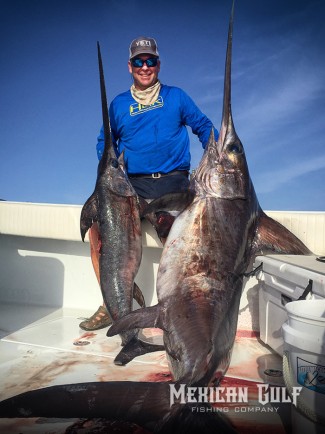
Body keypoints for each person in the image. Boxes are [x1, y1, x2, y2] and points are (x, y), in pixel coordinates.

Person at [79, 36, 219, 331]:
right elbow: (105, 142)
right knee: (97, 231)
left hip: (173, 185)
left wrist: (216, 157)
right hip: (133, 189)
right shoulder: (118, 104)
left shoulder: (176, 97)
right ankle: (112, 302)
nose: (145, 67)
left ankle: (184, 307)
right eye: (139, 61)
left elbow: (204, 127)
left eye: (151, 61)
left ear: (158, 64)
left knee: (180, 241)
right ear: (130, 66)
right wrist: (110, 169)